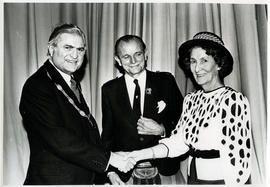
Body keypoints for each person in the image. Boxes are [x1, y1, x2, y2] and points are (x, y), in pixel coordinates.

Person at [126, 31, 252, 185]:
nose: (197, 68)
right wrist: (137, 155)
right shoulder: (191, 100)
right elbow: (176, 143)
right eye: (193, 61)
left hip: (222, 180)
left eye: (204, 60)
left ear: (218, 64)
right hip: (193, 178)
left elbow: (239, 160)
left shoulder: (233, 100)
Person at [19, 23, 135, 185]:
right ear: (51, 49)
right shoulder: (38, 85)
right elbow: (59, 138)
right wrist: (109, 159)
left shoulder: (69, 81)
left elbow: (87, 133)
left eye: (80, 50)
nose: (74, 55)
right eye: (68, 47)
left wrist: (108, 172)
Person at [101, 35, 184, 184]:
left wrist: (162, 130)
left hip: (164, 169)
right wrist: (110, 171)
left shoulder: (165, 81)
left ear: (145, 54)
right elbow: (107, 135)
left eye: (137, 54)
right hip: (124, 173)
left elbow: (185, 125)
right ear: (118, 60)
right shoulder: (109, 90)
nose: (133, 61)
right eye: (126, 57)